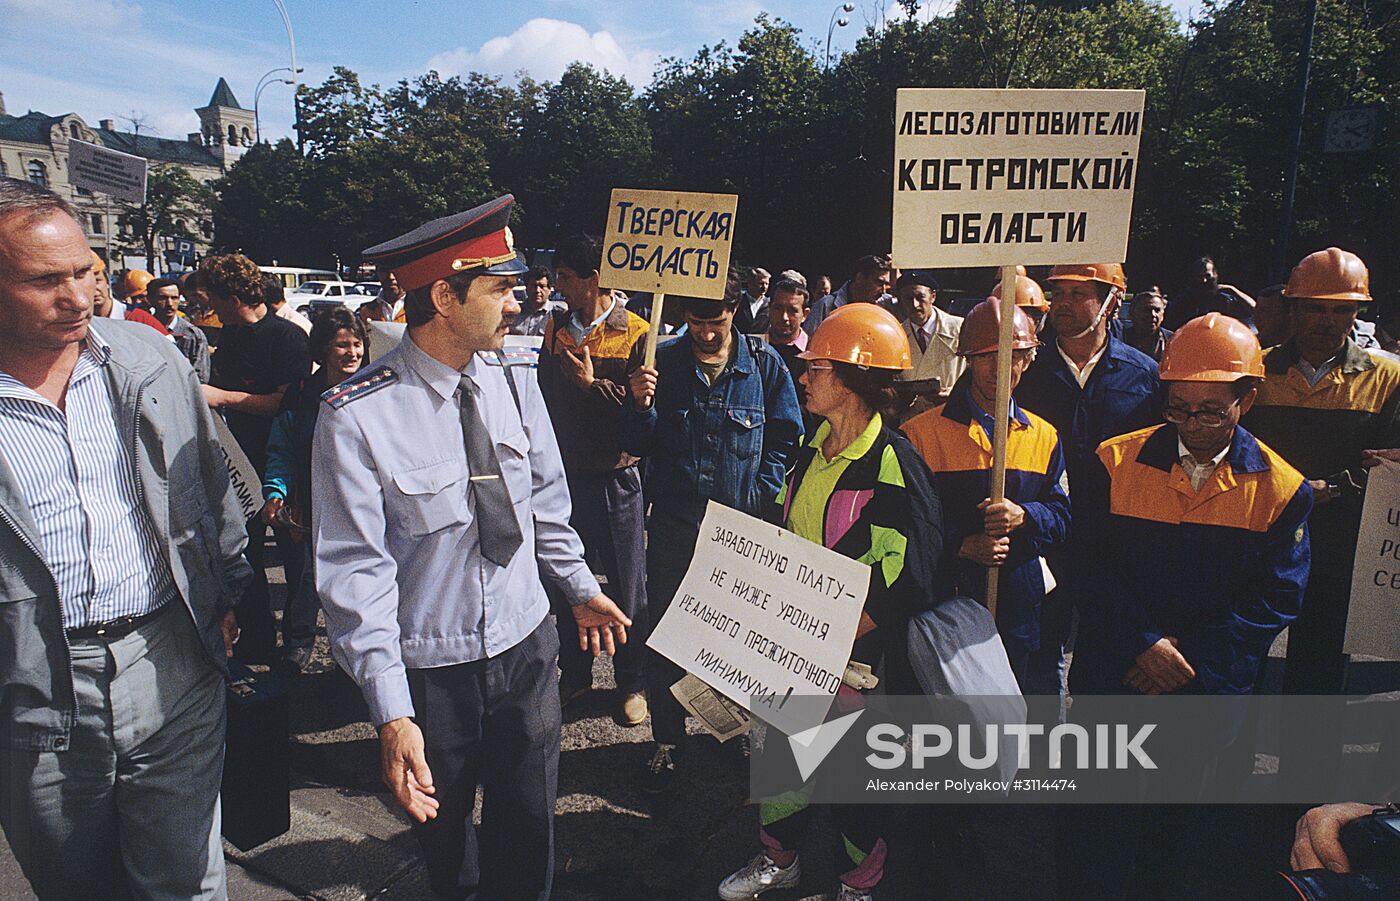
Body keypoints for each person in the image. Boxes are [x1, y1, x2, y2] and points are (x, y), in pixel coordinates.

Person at [313, 195, 631, 901]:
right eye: (501, 288)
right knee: (449, 855)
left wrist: (578, 587)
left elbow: (547, 503)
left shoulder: (515, 379)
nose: (517, 303)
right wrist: (392, 711)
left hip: (526, 650)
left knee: (530, 838)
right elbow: (355, 576)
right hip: (434, 678)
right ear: (444, 296)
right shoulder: (357, 416)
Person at [0, 179, 250, 899]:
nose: (77, 297)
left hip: (170, 652)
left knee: (185, 881)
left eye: (85, 270)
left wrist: (228, 589)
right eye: (45, 280)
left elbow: (205, 476)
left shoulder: (146, 357)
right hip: (34, 683)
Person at [1062, 313, 1310, 900]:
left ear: (1246, 399)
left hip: (1206, 693)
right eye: (1178, 408)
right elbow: (1085, 565)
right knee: (1092, 831)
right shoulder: (1113, 462)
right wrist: (1142, 644)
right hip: (1114, 679)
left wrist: (1184, 659)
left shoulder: (1281, 487)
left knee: (1174, 837)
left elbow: (1276, 597)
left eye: (1210, 410)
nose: (1192, 424)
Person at [716, 303, 944, 901]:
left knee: (852, 780)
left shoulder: (894, 461)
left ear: (852, 377)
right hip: (797, 649)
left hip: (858, 660)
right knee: (782, 762)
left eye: (815, 367)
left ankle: (858, 883)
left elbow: (912, 574)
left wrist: (841, 636)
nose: (804, 377)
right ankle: (779, 862)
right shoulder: (808, 450)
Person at [625, 270, 803, 792]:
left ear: (734, 315)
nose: (706, 333)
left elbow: (787, 438)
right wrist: (640, 404)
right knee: (666, 635)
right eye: (696, 323)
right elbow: (636, 443)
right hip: (677, 524)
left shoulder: (764, 364)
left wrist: (759, 493)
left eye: (716, 322)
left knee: (741, 638)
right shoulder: (661, 360)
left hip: (739, 529)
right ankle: (668, 738)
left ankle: (740, 732)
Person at [1242, 248, 1400, 699]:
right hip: (1258, 543)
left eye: (1342, 309)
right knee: (1241, 669)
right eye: (1316, 307)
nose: (1328, 320)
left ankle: (1310, 772)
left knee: (1318, 679)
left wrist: (1333, 488)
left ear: (1357, 313)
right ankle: (1226, 771)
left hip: (1340, 549)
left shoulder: (1388, 378)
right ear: (1293, 308)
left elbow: (1390, 464)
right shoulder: (1253, 368)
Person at [901, 299, 1070, 688]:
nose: (1000, 368)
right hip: (945, 612)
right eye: (986, 356)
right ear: (968, 360)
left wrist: (1025, 515)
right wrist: (959, 545)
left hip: (1017, 610)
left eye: (1013, 355)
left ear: (1028, 359)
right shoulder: (921, 435)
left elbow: (1064, 518)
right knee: (946, 738)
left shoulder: (1045, 437)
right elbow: (903, 528)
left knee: (1008, 734)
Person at [1014, 262, 1159, 712]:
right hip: (1041, 543)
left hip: (1116, 550)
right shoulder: (1023, 373)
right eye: (1058, 293)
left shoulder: (1144, 377)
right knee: (1038, 667)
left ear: (1112, 301)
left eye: (1079, 294)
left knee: (1104, 675)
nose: (1063, 305)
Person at [538, 234, 651, 724]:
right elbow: (541, 398)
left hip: (618, 479)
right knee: (569, 582)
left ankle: (633, 682)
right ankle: (576, 676)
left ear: (593, 278)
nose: (555, 285)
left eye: (564, 277)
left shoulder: (639, 332)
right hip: (566, 478)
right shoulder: (555, 328)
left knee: (629, 588)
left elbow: (639, 415)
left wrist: (591, 386)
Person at [199, 253, 312, 662]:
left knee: (294, 554)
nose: (210, 308)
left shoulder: (286, 337)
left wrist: (222, 397)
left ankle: (299, 640)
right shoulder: (227, 337)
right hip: (238, 462)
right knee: (245, 551)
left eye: (214, 299)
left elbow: (286, 404)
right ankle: (258, 636)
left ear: (233, 297)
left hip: (284, 461)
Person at [260, 306, 366, 674]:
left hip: (361, 510)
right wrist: (276, 493)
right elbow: (282, 450)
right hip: (308, 510)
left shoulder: (374, 389)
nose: (352, 353)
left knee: (358, 588)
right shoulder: (302, 394)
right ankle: (298, 646)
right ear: (322, 350)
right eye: (341, 345)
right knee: (304, 580)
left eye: (357, 344)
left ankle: (354, 658)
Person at [893, 270, 964, 420]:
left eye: (920, 297)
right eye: (908, 298)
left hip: (952, 415)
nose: (915, 304)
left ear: (933, 297)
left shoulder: (961, 328)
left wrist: (956, 392)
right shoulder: (895, 335)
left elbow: (976, 375)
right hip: (912, 421)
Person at [803, 254, 895, 335]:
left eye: (886, 284)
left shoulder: (886, 303)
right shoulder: (824, 306)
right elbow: (809, 343)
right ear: (859, 278)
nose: (883, 291)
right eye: (879, 283)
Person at [1164, 255, 1255, 331]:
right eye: (1199, 276)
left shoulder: (1226, 299)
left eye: (1207, 276)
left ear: (1215, 274)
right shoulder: (1183, 301)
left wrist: (1233, 290)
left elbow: (1255, 310)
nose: (1204, 280)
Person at [148, 275, 211, 382]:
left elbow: (200, 378)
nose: (169, 304)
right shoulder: (145, 330)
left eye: (174, 298)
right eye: (163, 298)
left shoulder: (193, 335)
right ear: (151, 299)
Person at [91, 254, 169, 334]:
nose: (92, 288)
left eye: (97, 281)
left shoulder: (140, 319)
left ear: (107, 281)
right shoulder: (80, 326)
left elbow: (169, 344)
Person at [1122, 287, 1173, 363]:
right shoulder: (1120, 340)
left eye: (1157, 310)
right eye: (1146, 310)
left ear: (1163, 315)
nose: (1153, 314)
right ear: (1132, 314)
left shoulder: (1172, 341)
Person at [510, 264, 557, 337]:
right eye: (533, 286)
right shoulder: (514, 313)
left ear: (550, 289)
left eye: (542, 286)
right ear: (526, 288)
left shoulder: (557, 315)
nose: (537, 290)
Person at [735, 266, 771, 334]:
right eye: (761, 283)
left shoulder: (769, 304)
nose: (764, 287)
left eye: (767, 284)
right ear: (750, 283)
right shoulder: (738, 301)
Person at [1254, 284, 1289, 348]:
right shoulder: (1251, 346)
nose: (1256, 318)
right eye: (1256, 311)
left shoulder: (1304, 353)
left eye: (1265, 311)